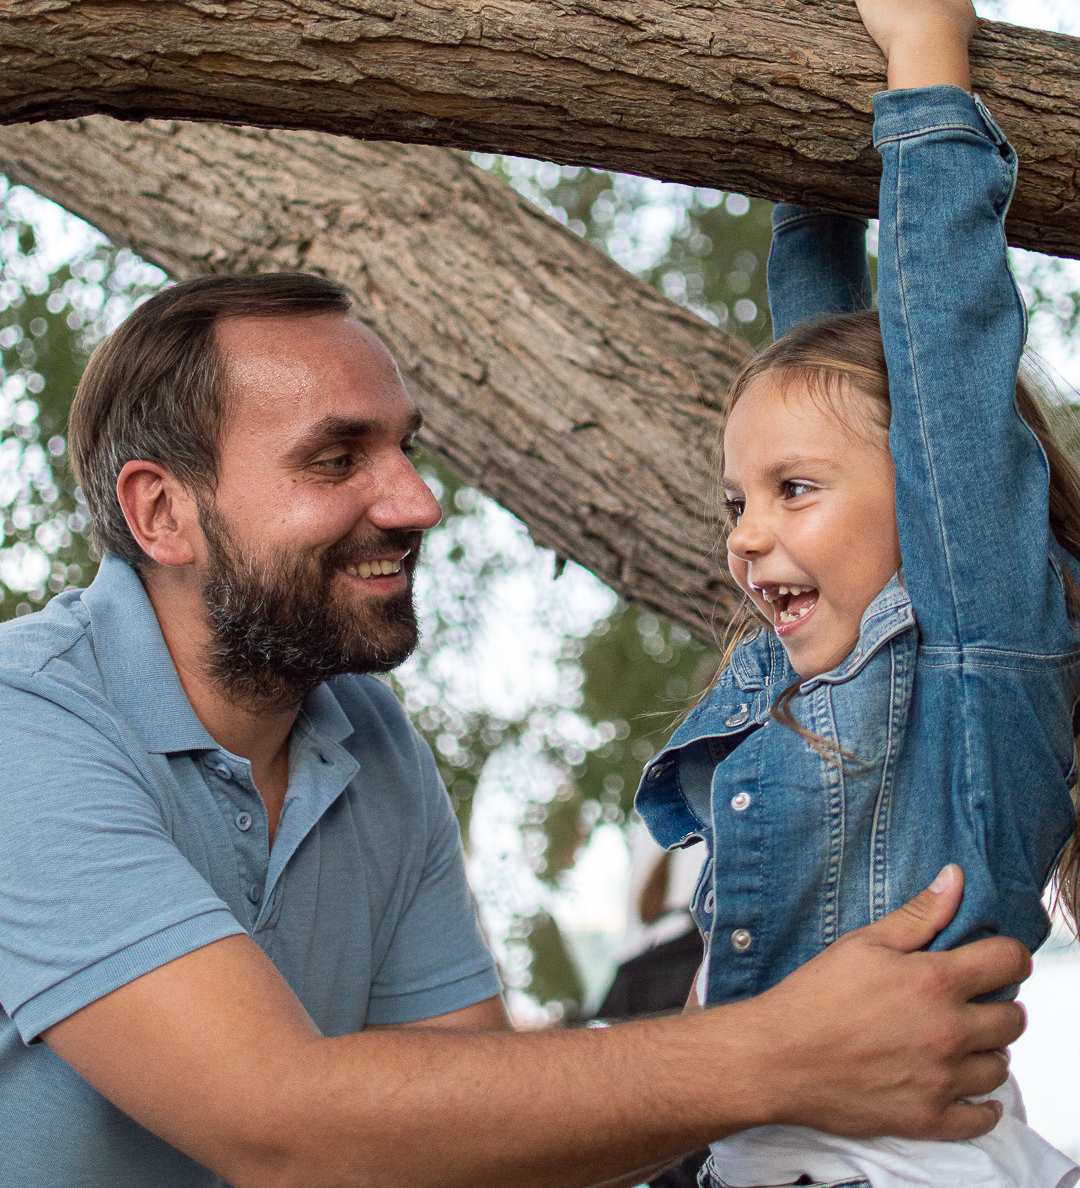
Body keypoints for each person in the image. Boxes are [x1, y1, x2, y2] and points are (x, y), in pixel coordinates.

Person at [0, 255, 1028, 1181]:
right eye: (336, 460)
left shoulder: (362, 734)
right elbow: (278, 1127)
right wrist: (787, 1054)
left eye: (405, 450)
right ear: (161, 514)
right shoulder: (26, 724)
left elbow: (477, 1135)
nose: (415, 502)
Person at [637, 0, 1080, 1188]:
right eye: (738, 500)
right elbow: (832, 380)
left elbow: (936, 365)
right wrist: (808, 181)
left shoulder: (979, 650)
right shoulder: (820, 664)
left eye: (792, 493)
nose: (743, 534)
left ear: (929, 502)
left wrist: (926, 68)